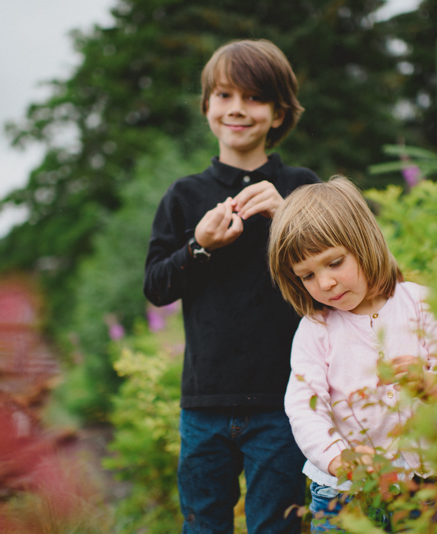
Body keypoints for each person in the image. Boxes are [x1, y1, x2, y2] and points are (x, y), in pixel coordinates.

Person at [143, 39, 320, 534]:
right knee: (202, 526)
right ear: (206, 107)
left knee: (276, 527)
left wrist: (289, 215)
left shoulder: (302, 187)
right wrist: (199, 245)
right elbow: (156, 287)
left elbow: (336, 272)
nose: (237, 109)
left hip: (283, 403)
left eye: (254, 97)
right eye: (223, 95)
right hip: (204, 404)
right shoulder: (184, 196)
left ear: (280, 112)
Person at [267, 177, 437, 532]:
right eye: (308, 276)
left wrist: (434, 386)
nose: (325, 283)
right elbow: (303, 407)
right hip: (347, 494)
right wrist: (338, 459)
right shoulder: (316, 329)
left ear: (364, 243)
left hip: (426, 485)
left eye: (334, 263)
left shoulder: (421, 304)